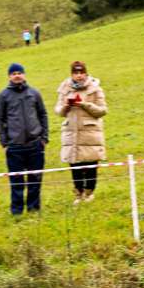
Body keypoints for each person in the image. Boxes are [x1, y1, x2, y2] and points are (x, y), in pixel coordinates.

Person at [0, 62, 48, 215]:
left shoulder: (34, 93)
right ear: (9, 77)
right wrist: (4, 141)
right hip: (15, 146)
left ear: (24, 75)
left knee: (35, 179)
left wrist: (44, 137)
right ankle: (17, 211)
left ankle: (33, 209)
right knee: (16, 181)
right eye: (14, 74)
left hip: (35, 144)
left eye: (19, 73)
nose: (17, 76)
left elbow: (43, 114)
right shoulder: (3, 96)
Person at [55, 60, 108, 203]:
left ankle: (89, 193)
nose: (79, 75)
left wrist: (85, 104)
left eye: (81, 72)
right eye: (75, 72)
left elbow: (102, 111)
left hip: (90, 132)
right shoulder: (64, 88)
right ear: (71, 74)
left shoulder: (95, 88)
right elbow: (58, 111)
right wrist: (66, 106)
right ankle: (78, 194)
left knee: (91, 164)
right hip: (71, 132)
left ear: (86, 73)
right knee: (74, 165)